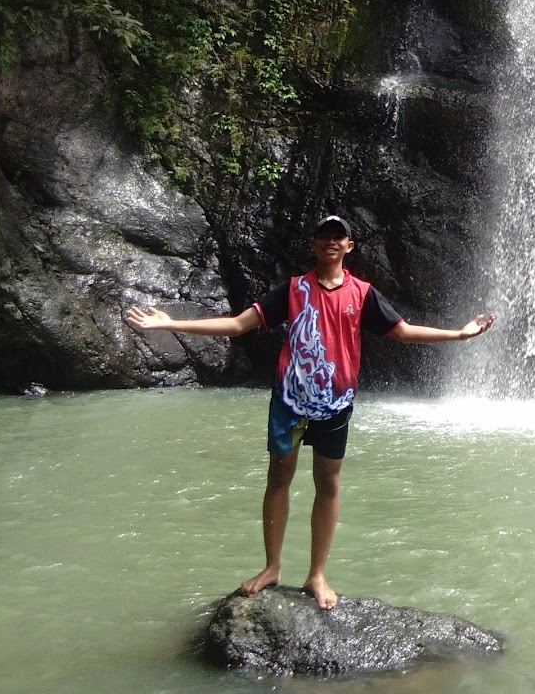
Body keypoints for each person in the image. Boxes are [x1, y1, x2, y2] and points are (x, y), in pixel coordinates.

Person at [124, 214, 495, 610]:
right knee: (278, 479)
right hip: (289, 401)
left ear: (349, 246)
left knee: (328, 484)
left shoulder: (363, 294)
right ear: (314, 243)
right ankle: (271, 567)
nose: (332, 242)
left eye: (340, 237)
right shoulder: (292, 289)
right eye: (325, 236)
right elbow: (237, 325)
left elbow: (402, 331)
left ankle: (317, 573)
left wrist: (459, 334)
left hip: (335, 405)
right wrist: (170, 323)